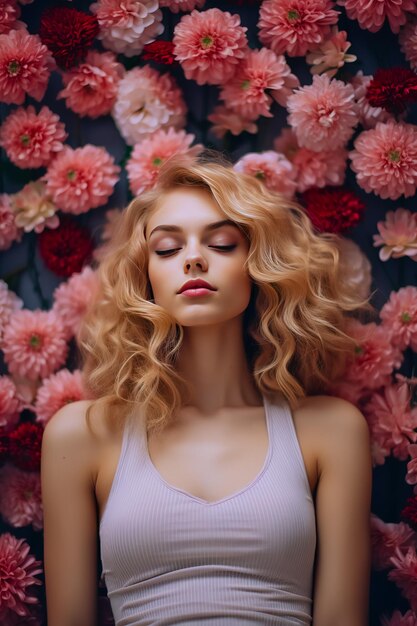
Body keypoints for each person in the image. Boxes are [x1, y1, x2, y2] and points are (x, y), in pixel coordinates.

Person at [41, 154, 372, 626]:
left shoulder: (330, 431)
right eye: (167, 249)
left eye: (221, 243)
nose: (194, 258)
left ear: (256, 264)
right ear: (145, 278)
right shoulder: (82, 436)